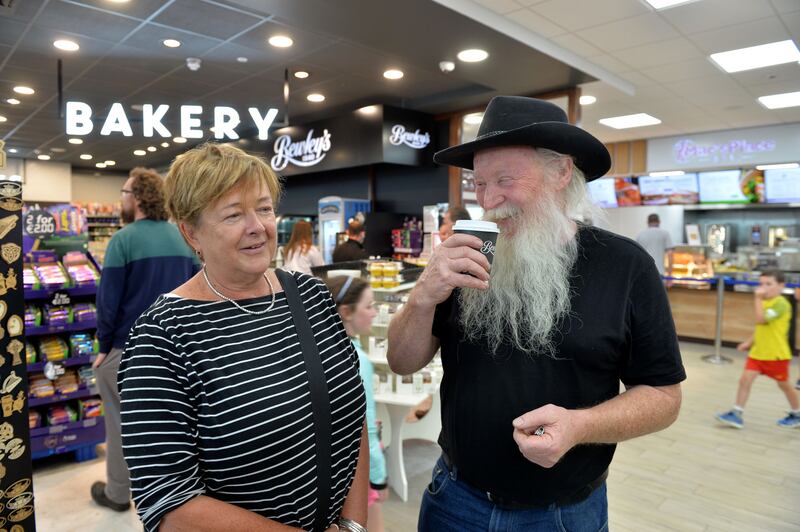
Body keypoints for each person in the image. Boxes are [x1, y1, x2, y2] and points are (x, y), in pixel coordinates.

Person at [387, 96, 685, 530]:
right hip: (454, 499)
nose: (490, 200)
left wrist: (580, 426)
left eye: (504, 180)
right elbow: (401, 361)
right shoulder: (466, 257)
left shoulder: (625, 266)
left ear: (561, 171)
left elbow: (663, 397)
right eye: (479, 184)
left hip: (565, 514)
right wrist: (422, 296)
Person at [118, 143, 369, 532]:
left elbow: (351, 419)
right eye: (233, 214)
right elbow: (168, 503)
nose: (258, 226)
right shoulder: (163, 336)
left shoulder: (313, 296)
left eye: (264, 208)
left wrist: (353, 525)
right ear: (191, 233)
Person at [92, 167, 198, 512]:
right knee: (174, 428)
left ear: (137, 197)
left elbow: (108, 301)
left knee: (120, 424)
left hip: (128, 350)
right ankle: (172, 496)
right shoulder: (183, 238)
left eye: (124, 192)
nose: (121, 199)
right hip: (180, 352)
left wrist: (103, 347)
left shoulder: (123, 240)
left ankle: (118, 494)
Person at [325, 275, 388, 532]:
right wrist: (379, 477)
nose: (374, 313)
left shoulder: (323, 348)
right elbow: (366, 428)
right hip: (357, 475)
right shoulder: (357, 359)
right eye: (369, 306)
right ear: (346, 312)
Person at [715, 270, 800, 429]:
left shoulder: (781, 304)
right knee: (744, 381)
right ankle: (737, 413)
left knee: (784, 385)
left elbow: (761, 320)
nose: (763, 288)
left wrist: (757, 298)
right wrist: (748, 343)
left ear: (781, 286)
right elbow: (761, 329)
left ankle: (797, 413)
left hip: (775, 355)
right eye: (761, 284)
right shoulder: (765, 303)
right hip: (758, 353)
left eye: (769, 284)